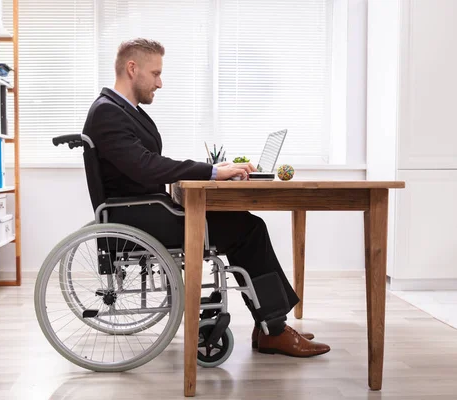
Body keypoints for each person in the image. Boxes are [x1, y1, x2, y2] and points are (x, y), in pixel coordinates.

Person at [82, 38, 330, 358]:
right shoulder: (108, 113)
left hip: (144, 211)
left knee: (244, 225)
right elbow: (145, 167)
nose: (160, 82)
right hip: (141, 216)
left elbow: (143, 163)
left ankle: (270, 324)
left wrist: (216, 169)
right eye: (155, 73)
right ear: (133, 69)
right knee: (246, 229)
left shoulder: (119, 111)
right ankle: (273, 328)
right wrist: (212, 171)